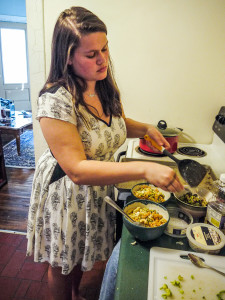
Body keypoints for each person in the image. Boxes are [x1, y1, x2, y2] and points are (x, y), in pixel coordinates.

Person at [26, 6, 183, 300]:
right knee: (62, 262)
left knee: (78, 254)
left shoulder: (103, 86)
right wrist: (145, 169)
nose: (103, 59)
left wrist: (146, 128)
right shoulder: (56, 99)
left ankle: (74, 293)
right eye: (91, 54)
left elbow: (116, 124)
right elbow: (76, 169)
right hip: (68, 192)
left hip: (97, 189)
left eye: (105, 48)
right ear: (68, 57)